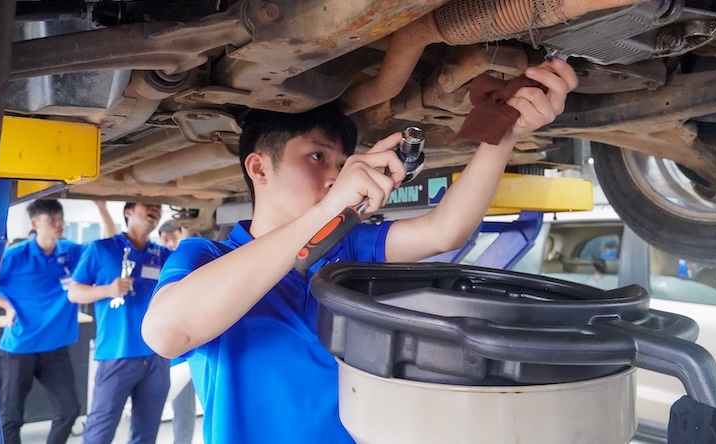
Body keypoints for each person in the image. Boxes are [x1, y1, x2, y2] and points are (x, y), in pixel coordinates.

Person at [142, 59, 578, 443]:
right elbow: (166, 334)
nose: (335, 176)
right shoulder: (205, 257)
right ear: (259, 167)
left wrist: (503, 133)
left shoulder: (347, 249)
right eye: (317, 157)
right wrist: (329, 208)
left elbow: (446, 231)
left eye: (341, 163)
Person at [68, 202, 172, 444]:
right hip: (117, 352)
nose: (154, 209)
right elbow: (74, 293)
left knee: (146, 434)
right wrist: (107, 290)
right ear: (128, 212)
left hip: (157, 355)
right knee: (99, 432)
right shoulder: (102, 249)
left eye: (158, 206)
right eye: (148, 205)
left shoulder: (163, 255)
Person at [0, 199, 88, 444]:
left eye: (60, 218)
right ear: (35, 224)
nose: (59, 223)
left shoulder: (69, 251)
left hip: (55, 348)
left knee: (69, 410)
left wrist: (102, 209)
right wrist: (6, 306)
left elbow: (101, 252)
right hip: (19, 348)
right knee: (11, 417)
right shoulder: (16, 255)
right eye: (51, 219)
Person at [157, 221, 197, 444]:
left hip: (195, 347)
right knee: (180, 408)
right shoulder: (164, 260)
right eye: (166, 239)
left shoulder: (191, 257)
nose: (170, 243)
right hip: (173, 353)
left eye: (174, 237)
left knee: (189, 410)